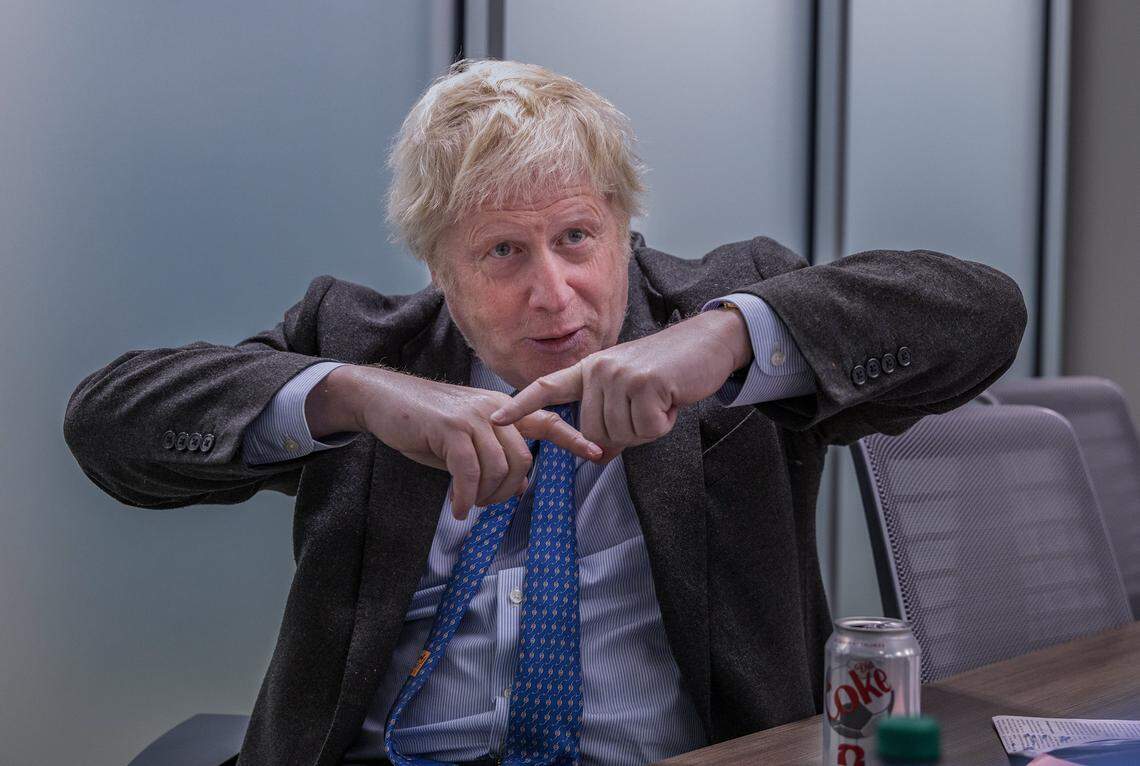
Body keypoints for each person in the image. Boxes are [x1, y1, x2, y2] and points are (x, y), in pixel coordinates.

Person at [63, 59, 1027, 766]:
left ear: (621, 226)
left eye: (576, 238)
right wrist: (352, 395)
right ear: (438, 270)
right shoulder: (362, 341)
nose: (557, 297)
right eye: (502, 254)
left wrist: (732, 340)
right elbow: (106, 424)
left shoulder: (723, 307)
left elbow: (983, 314)